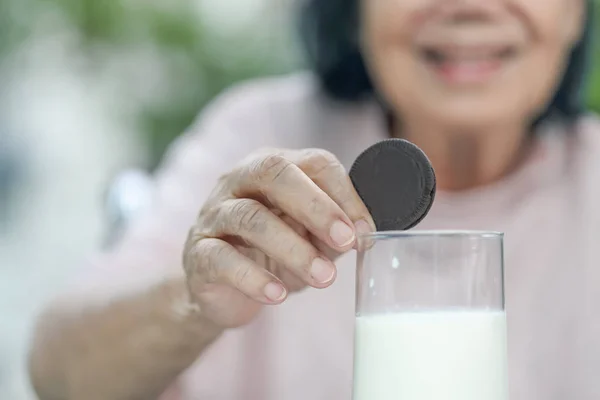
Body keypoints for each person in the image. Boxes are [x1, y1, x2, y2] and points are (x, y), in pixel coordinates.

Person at [28, 0, 600, 399]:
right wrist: (191, 298)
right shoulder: (259, 137)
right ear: (356, 9)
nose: (469, 4)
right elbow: (55, 374)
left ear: (576, 10)